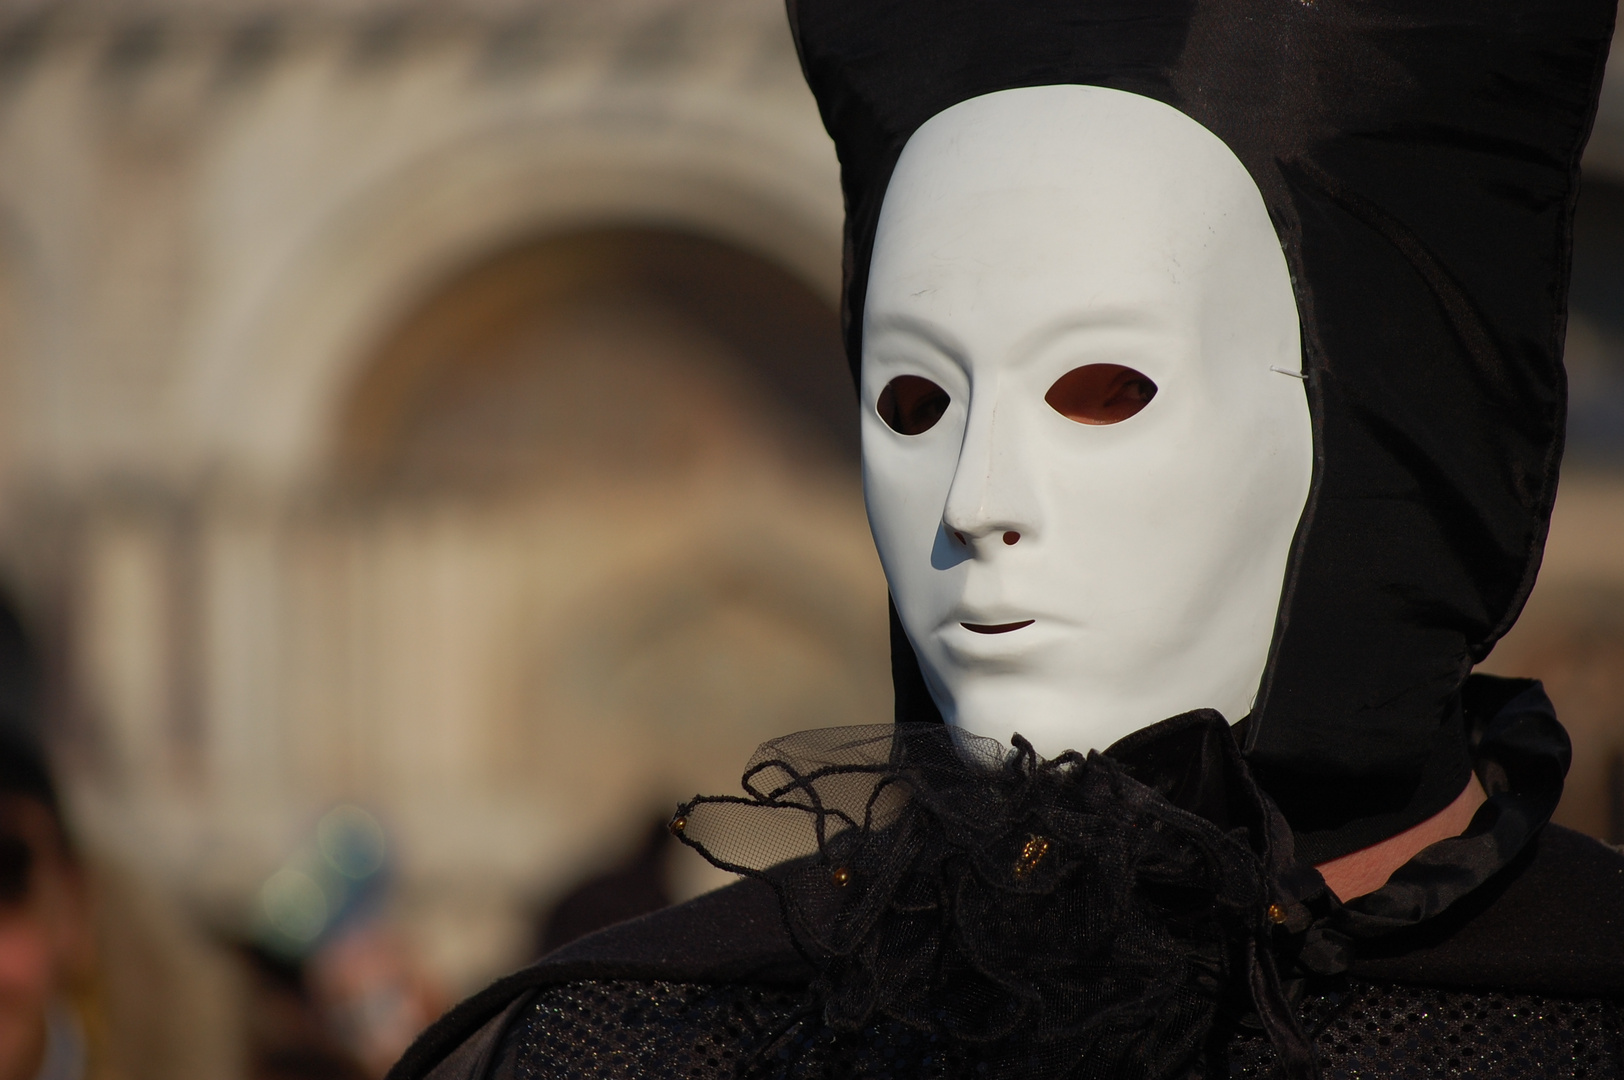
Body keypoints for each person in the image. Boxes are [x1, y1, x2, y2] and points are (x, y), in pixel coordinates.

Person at [389, 1, 1624, 1077]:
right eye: (915, 403)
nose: (975, 497)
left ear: (1387, 435)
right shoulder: (653, 1040)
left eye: (1099, 388)